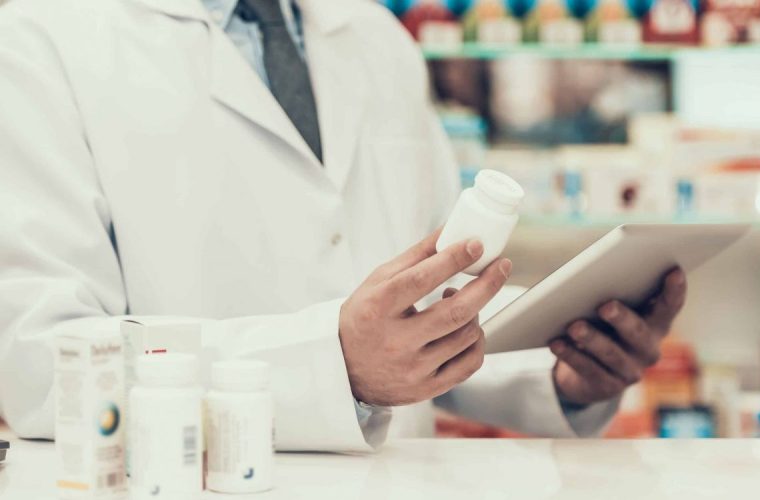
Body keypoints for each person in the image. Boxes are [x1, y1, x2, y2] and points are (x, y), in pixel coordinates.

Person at [0, 0, 686, 450]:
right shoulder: (35, 37)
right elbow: (39, 361)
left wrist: (564, 373)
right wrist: (332, 366)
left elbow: (426, 305)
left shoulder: (374, 38)